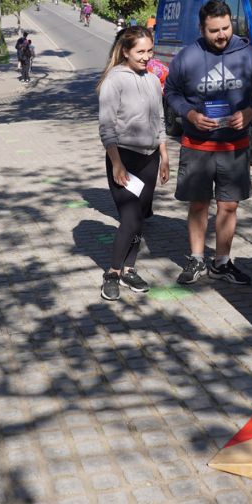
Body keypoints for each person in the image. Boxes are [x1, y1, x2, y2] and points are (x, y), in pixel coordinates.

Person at [165, 0, 252, 285]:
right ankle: (196, 259)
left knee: (228, 207)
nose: (221, 35)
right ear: (201, 29)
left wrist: (250, 111)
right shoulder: (186, 57)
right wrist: (189, 114)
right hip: (197, 146)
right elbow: (171, 92)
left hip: (234, 148)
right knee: (199, 204)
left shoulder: (249, 54)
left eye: (225, 28)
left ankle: (222, 262)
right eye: (214, 30)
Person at [97, 26, 170, 300]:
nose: (146, 57)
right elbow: (106, 128)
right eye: (140, 51)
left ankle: (129, 269)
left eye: (150, 51)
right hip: (124, 158)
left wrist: (163, 156)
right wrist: (116, 164)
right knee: (129, 217)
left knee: (139, 219)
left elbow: (159, 120)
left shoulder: (152, 80)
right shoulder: (114, 81)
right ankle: (112, 273)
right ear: (125, 50)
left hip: (150, 159)